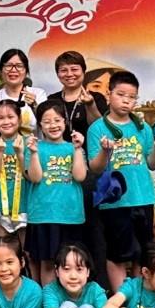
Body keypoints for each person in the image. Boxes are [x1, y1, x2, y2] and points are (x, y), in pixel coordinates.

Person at [86, 70, 155, 292]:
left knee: (143, 254)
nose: (126, 101)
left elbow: (152, 164)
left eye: (132, 97)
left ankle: (139, 297)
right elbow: (95, 168)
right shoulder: (97, 128)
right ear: (109, 95)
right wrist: (105, 151)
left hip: (143, 198)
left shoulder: (142, 127)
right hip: (115, 202)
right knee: (117, 255)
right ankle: (121, 300)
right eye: (121, 95)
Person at [52, 50, 111, 284]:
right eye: (64, 70)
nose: (69, 74)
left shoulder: (95, 98)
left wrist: (90, 106)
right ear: (58, 74)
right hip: (59, 170)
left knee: (94, 227)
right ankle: (68, 280)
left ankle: (99, 283)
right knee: (66, 226)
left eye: (74, 69)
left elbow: (100, 127)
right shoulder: (53, 100)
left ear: (83, 72)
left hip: (89, 169)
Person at [24, 100, 88, 284]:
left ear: (65, 122)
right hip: (43, 215)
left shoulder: (73, 147)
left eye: (57, 120)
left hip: (71, 215)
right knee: (48, 263)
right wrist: (33, 153)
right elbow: (35, 177)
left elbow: (80, 176)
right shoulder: (35, 148)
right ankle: (49, 300)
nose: (53, 125)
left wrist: (78, 149)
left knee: (71, 262)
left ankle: (68, 298)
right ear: (40, 125)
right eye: (47, 121)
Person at [0, 99, 30, 239]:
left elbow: (30, 176)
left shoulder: (28, 142)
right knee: (1, 247)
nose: (6, 121)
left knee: (25, 248)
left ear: (19, 120)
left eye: (10, 117)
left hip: (23, 205)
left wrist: (20, 154)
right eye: (1, 118)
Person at [0, 48, 46, 134]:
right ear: (1, 71)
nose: (13, 70)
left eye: (19, 66)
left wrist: (34, 106)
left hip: (33, 143)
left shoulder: (38, 94)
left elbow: (47, 123)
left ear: (26, 71)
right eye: (8, 65)